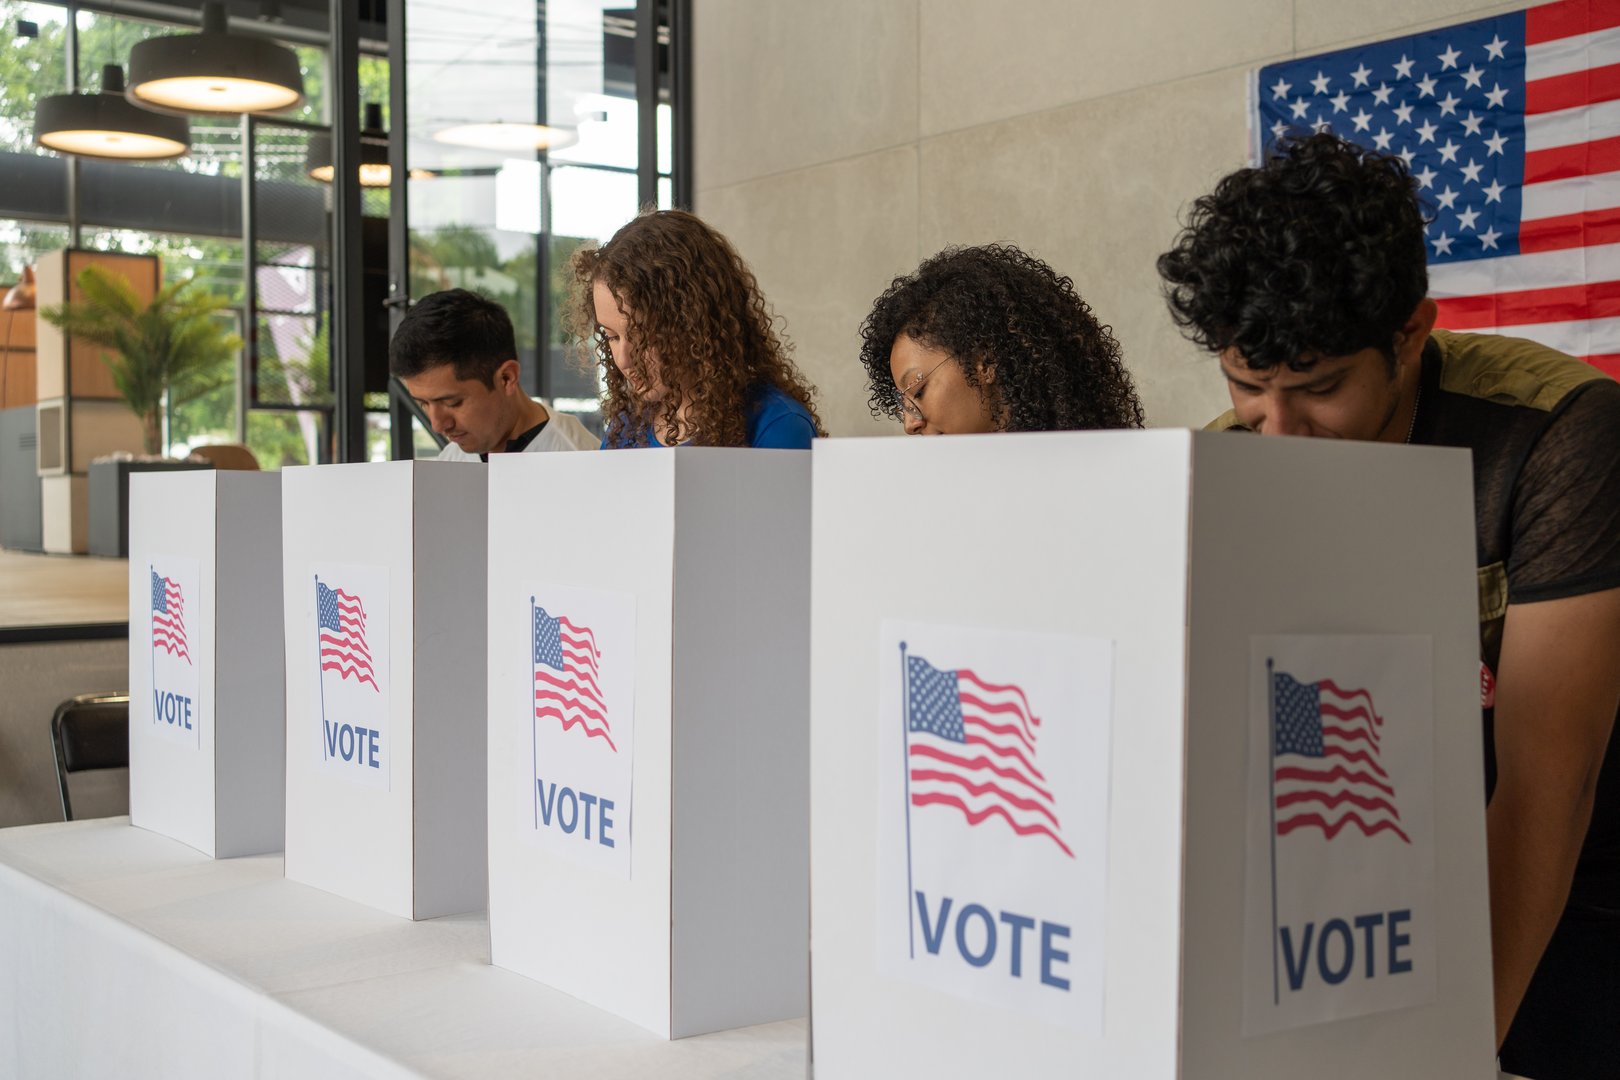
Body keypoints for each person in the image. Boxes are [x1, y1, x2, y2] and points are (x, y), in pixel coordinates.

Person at [1158, 132, 1620, 1079]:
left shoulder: (1558, 437)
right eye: (1248, 386)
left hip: (1570, 901)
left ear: (1411, 335)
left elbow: (1546, 789)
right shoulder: (1227, 457)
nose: (1278, 432)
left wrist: (1445, 1054)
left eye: (1319, 389)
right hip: (1356, 906)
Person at [569, 209, 823, 449]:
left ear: (691, 323)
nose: (624, 360)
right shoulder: (625, 431)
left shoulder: (776, 425)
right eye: (611, 337)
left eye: (641, 337)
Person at [858, 244, 1145, 435]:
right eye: (903, 402)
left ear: (985, 361)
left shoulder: (1089, 482)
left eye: (918, 391)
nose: (910, 424)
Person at [390, 288, 596, 460]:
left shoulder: (579, 461)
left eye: (452, 403)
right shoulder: (451, 461)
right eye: (423, 403)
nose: (437, 425)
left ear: (507, 378)